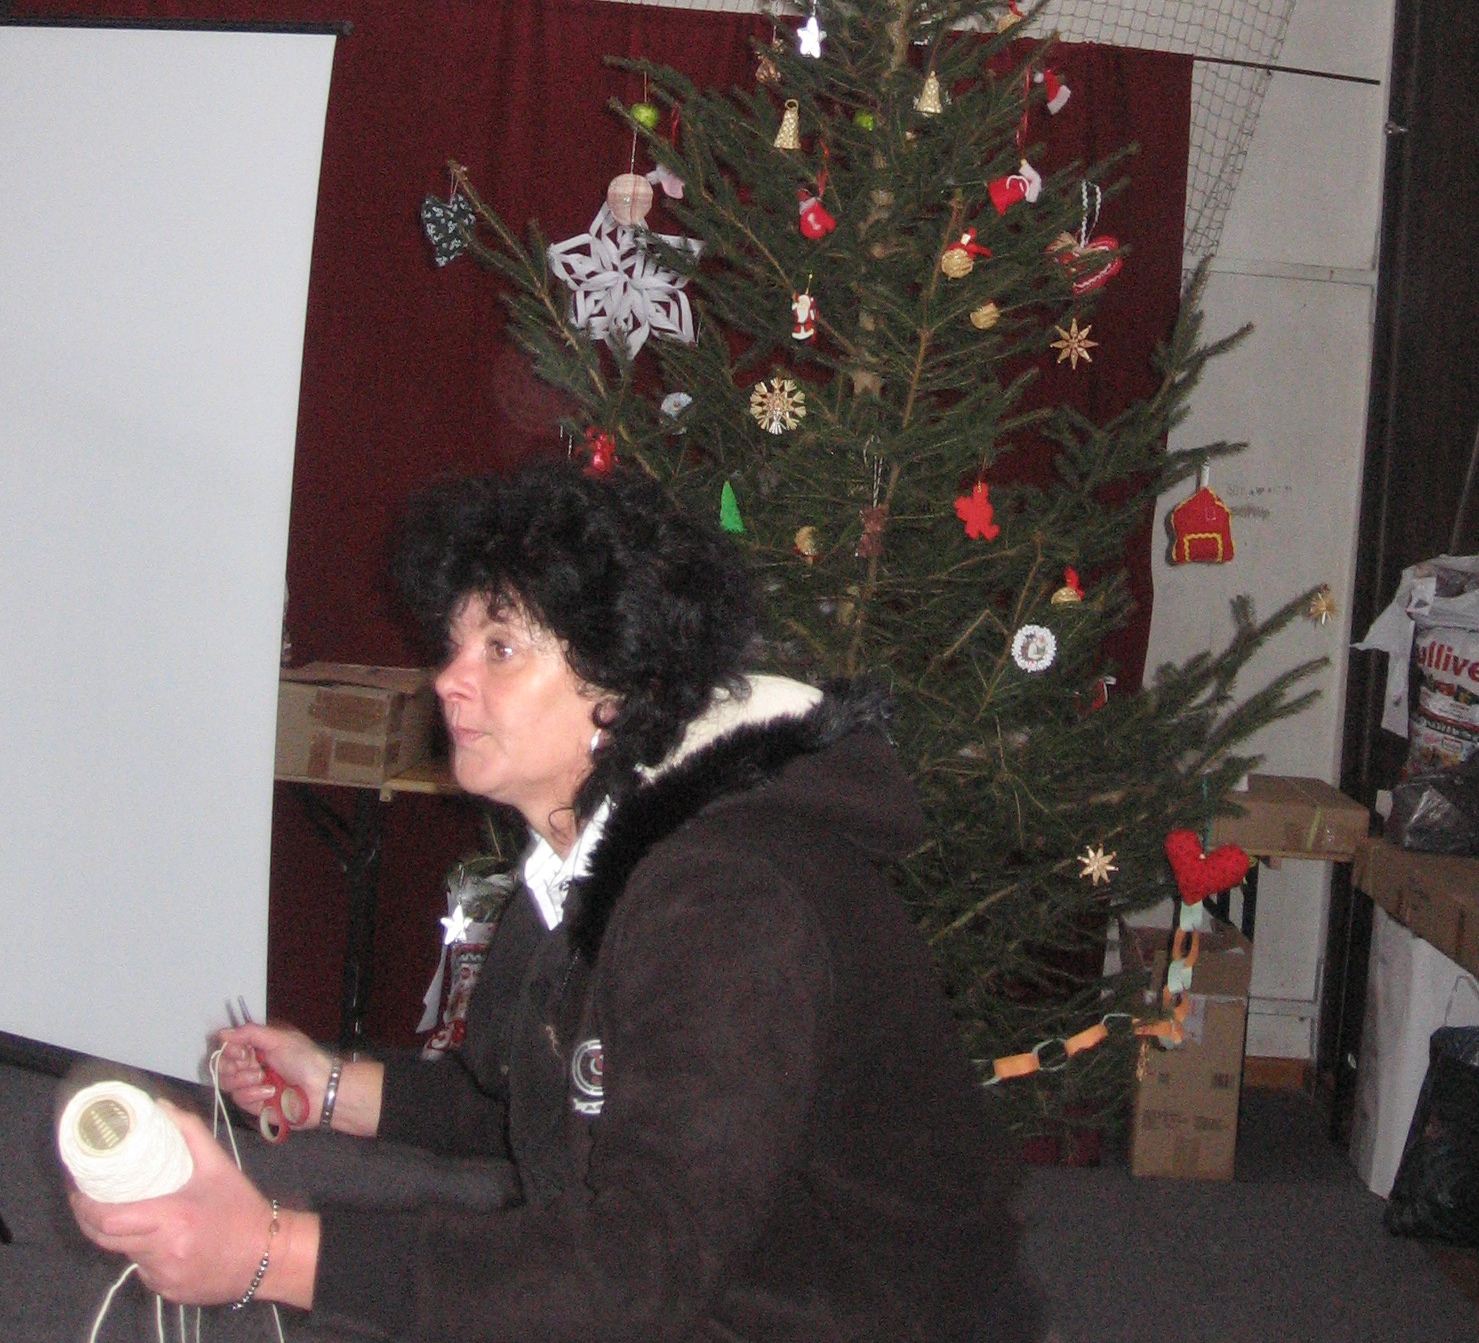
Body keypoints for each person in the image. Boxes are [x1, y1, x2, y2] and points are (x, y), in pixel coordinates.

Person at [70, 459, 1043, 1342]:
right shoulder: (585, 854)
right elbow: (546, 1098)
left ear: (625, 687)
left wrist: (270, 1252)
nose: (447, 679)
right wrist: (332, 1087)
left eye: (500, 648)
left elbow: (637, 1275)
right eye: (454, 642)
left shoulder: (730, 907)